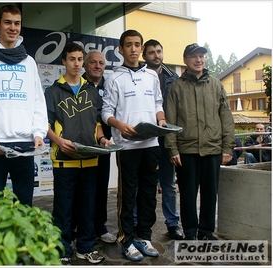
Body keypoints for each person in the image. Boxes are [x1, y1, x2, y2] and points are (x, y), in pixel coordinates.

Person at [0, 5, 48, 206]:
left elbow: (38, 102)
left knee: (24, 204)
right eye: (7, 22)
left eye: (17, 23)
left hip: (25, 145)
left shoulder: (29, 62)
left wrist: (39, 133)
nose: (12, 27)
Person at [45, 43, 109, 265]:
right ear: (63, 61)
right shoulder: (52, 91)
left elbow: (98, 122)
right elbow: (45, 125)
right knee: (63, 210)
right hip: (64, 161)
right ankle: (62, 249)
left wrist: (101, 139)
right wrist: (59, 141)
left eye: (80, 59)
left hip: (90, 159)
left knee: (87, 209)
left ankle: (85, 248)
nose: (77, 63)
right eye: (72, 59)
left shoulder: (92, 90)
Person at [102, 30, 163, 261]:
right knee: (127, 196)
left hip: (151, 143)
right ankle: (126, 240)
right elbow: (106, 112)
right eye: (129, 45)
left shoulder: (152, 76)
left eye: (137, 45)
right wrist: (119, 124)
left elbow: (158, 103)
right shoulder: (114, 78)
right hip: (127, 147)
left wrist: (162, 120)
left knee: (148, 195)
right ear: (121, 49)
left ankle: (144, 236)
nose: (134, 49)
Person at [165, 43, 235, 241]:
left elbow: (226, 118)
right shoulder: (176, 87)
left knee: (210, 193)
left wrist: (227, 147)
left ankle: (205, 231)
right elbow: (170, 120)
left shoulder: (215, 84)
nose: (198, 60)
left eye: (201, 56)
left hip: (212, 148)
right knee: (187, 194)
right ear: (185, 60)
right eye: (193, 56)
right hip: (186, 150)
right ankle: (189, 231)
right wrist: (172, 149)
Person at [70, 50, 116, 244]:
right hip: (80, 148)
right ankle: (75, 227)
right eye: (93, 62)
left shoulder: (110, 85)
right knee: (79, 191)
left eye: (102, 63)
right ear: (86, 65)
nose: (98, 66)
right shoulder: (77, 85)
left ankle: (100, 227)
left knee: (100, 188)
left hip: (103, 146)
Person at [140, 39, 183, 240]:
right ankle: (136, 222)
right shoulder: (137, 76)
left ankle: (173, 223)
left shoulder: (174, 78)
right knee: (142, 185)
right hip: (144, 139)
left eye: (159, 51)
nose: (156, 55)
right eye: (151, 52)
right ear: (144, 55)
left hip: (166, 140)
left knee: (168, 185)